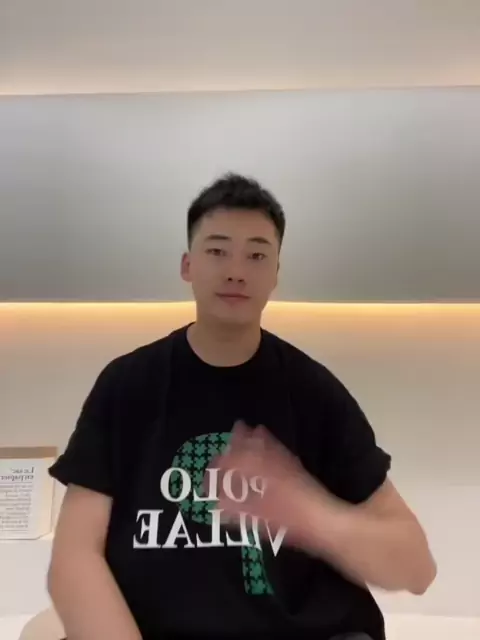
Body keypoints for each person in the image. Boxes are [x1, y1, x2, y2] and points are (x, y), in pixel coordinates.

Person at [47, 173, 437, 640]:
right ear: (187, 265)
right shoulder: (127, 385)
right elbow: (74, 556)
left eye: (256, 255)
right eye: (217, 251)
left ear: (276, 274)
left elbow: (417, 568)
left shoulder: (313, 392)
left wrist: (309, 515)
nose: (236, 271)